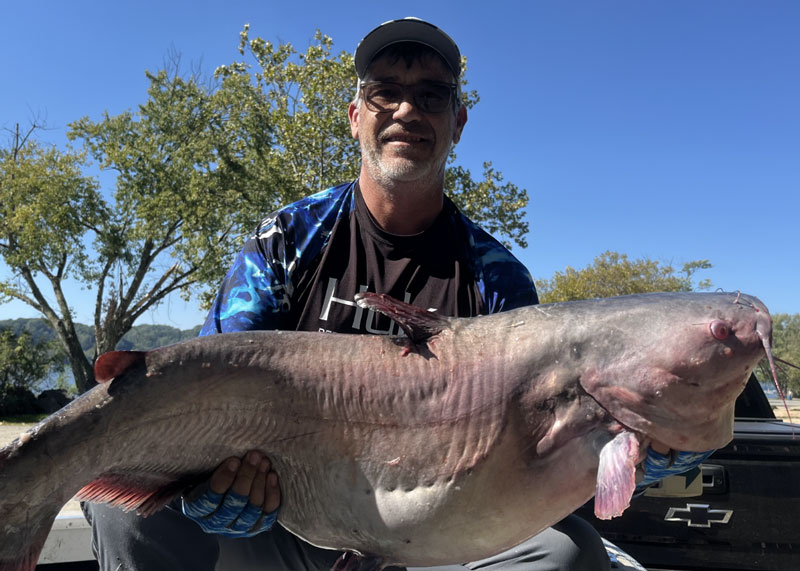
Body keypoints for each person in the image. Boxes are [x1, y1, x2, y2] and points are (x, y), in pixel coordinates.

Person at [84, 17, 711, 571]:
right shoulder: (286, 240)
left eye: (432, 95)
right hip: (281, 518)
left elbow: (540, 442)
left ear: (457, 122)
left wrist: (633, 447)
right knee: (123, 505)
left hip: (433, 536)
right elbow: (209, 383)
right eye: (385, 91)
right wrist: (211, 488)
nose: (407, 110)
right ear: (357, 115)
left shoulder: (497, 277)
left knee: (565, 556)